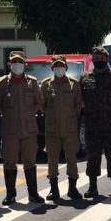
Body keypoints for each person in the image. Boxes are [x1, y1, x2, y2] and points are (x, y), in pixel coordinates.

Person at [0, 51, 43, 204]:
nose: (17, 65)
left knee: (30, 161)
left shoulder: (32, 82)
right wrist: (12, 117)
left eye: (20, 62)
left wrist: (27, 115)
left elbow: (38, 102)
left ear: (24, 64)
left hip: (28, 129)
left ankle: (33, 194)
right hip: (10, 130)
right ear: (9, 64)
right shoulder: (2, 83)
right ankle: (10, 195)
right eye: (14, 62)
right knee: (10, 162)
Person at [80, 47, 111, 198]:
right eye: (97, 58)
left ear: (107, 59)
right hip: (92, 126)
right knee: (93, 158)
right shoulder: (85, 78)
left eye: (102, 58)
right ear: (93, 60)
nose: (100, 61)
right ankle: (92, 187)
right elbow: (81, 99)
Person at [40, 55, 84, 200]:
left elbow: (78, 105)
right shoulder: (46, 85)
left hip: (69, 129)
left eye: (62, 65)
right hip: (52, 129)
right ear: (52, 68)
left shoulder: (74, 84)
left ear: (66, 67)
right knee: (52, 159)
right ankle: (54, 189)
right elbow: (43, 105)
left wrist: (69, 117)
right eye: (56, 66)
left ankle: (72, 188)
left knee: (71, 158)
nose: (59, 68)